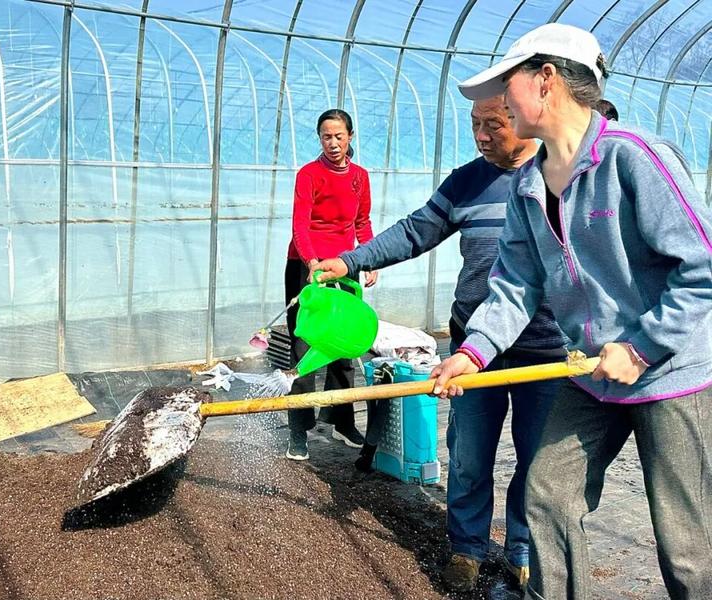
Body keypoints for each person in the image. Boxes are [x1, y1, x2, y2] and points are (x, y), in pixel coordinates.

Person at [433, 22, 712, 599]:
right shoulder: (528, 186)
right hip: (589, 373)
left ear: (546, 80)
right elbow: (515, 284)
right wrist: (473, 352)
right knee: (549, 497)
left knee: (686, 546)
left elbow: (702, 267)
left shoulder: (633, 159)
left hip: (671, 372)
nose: (503, 101)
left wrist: (641, 348)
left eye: (508, 86)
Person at [314, 96, 566, 592]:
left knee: (538, 460)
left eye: (493, 124)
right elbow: (416, 231)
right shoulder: (466, 181)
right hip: (472, 346)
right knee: (469, 453)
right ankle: (467, 548)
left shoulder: (559, 176)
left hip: (545, 347)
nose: (481, 135)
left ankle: (522, 550)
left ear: (523, 117)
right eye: (475, 124)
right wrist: (352, 260)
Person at [284, 108, 378, 461]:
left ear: (350, 136)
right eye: (327, 137)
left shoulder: (360, 177)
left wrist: (369, 259)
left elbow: (362, 222)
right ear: (320, 139)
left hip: (345, 266)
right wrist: (311, 262)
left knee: (344, 344)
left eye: (339, 136)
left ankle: (341, 420)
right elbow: (300, 225)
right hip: (306, 265)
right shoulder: (309, 174)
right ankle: (298, 430)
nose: (333, 143)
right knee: (304, 345)